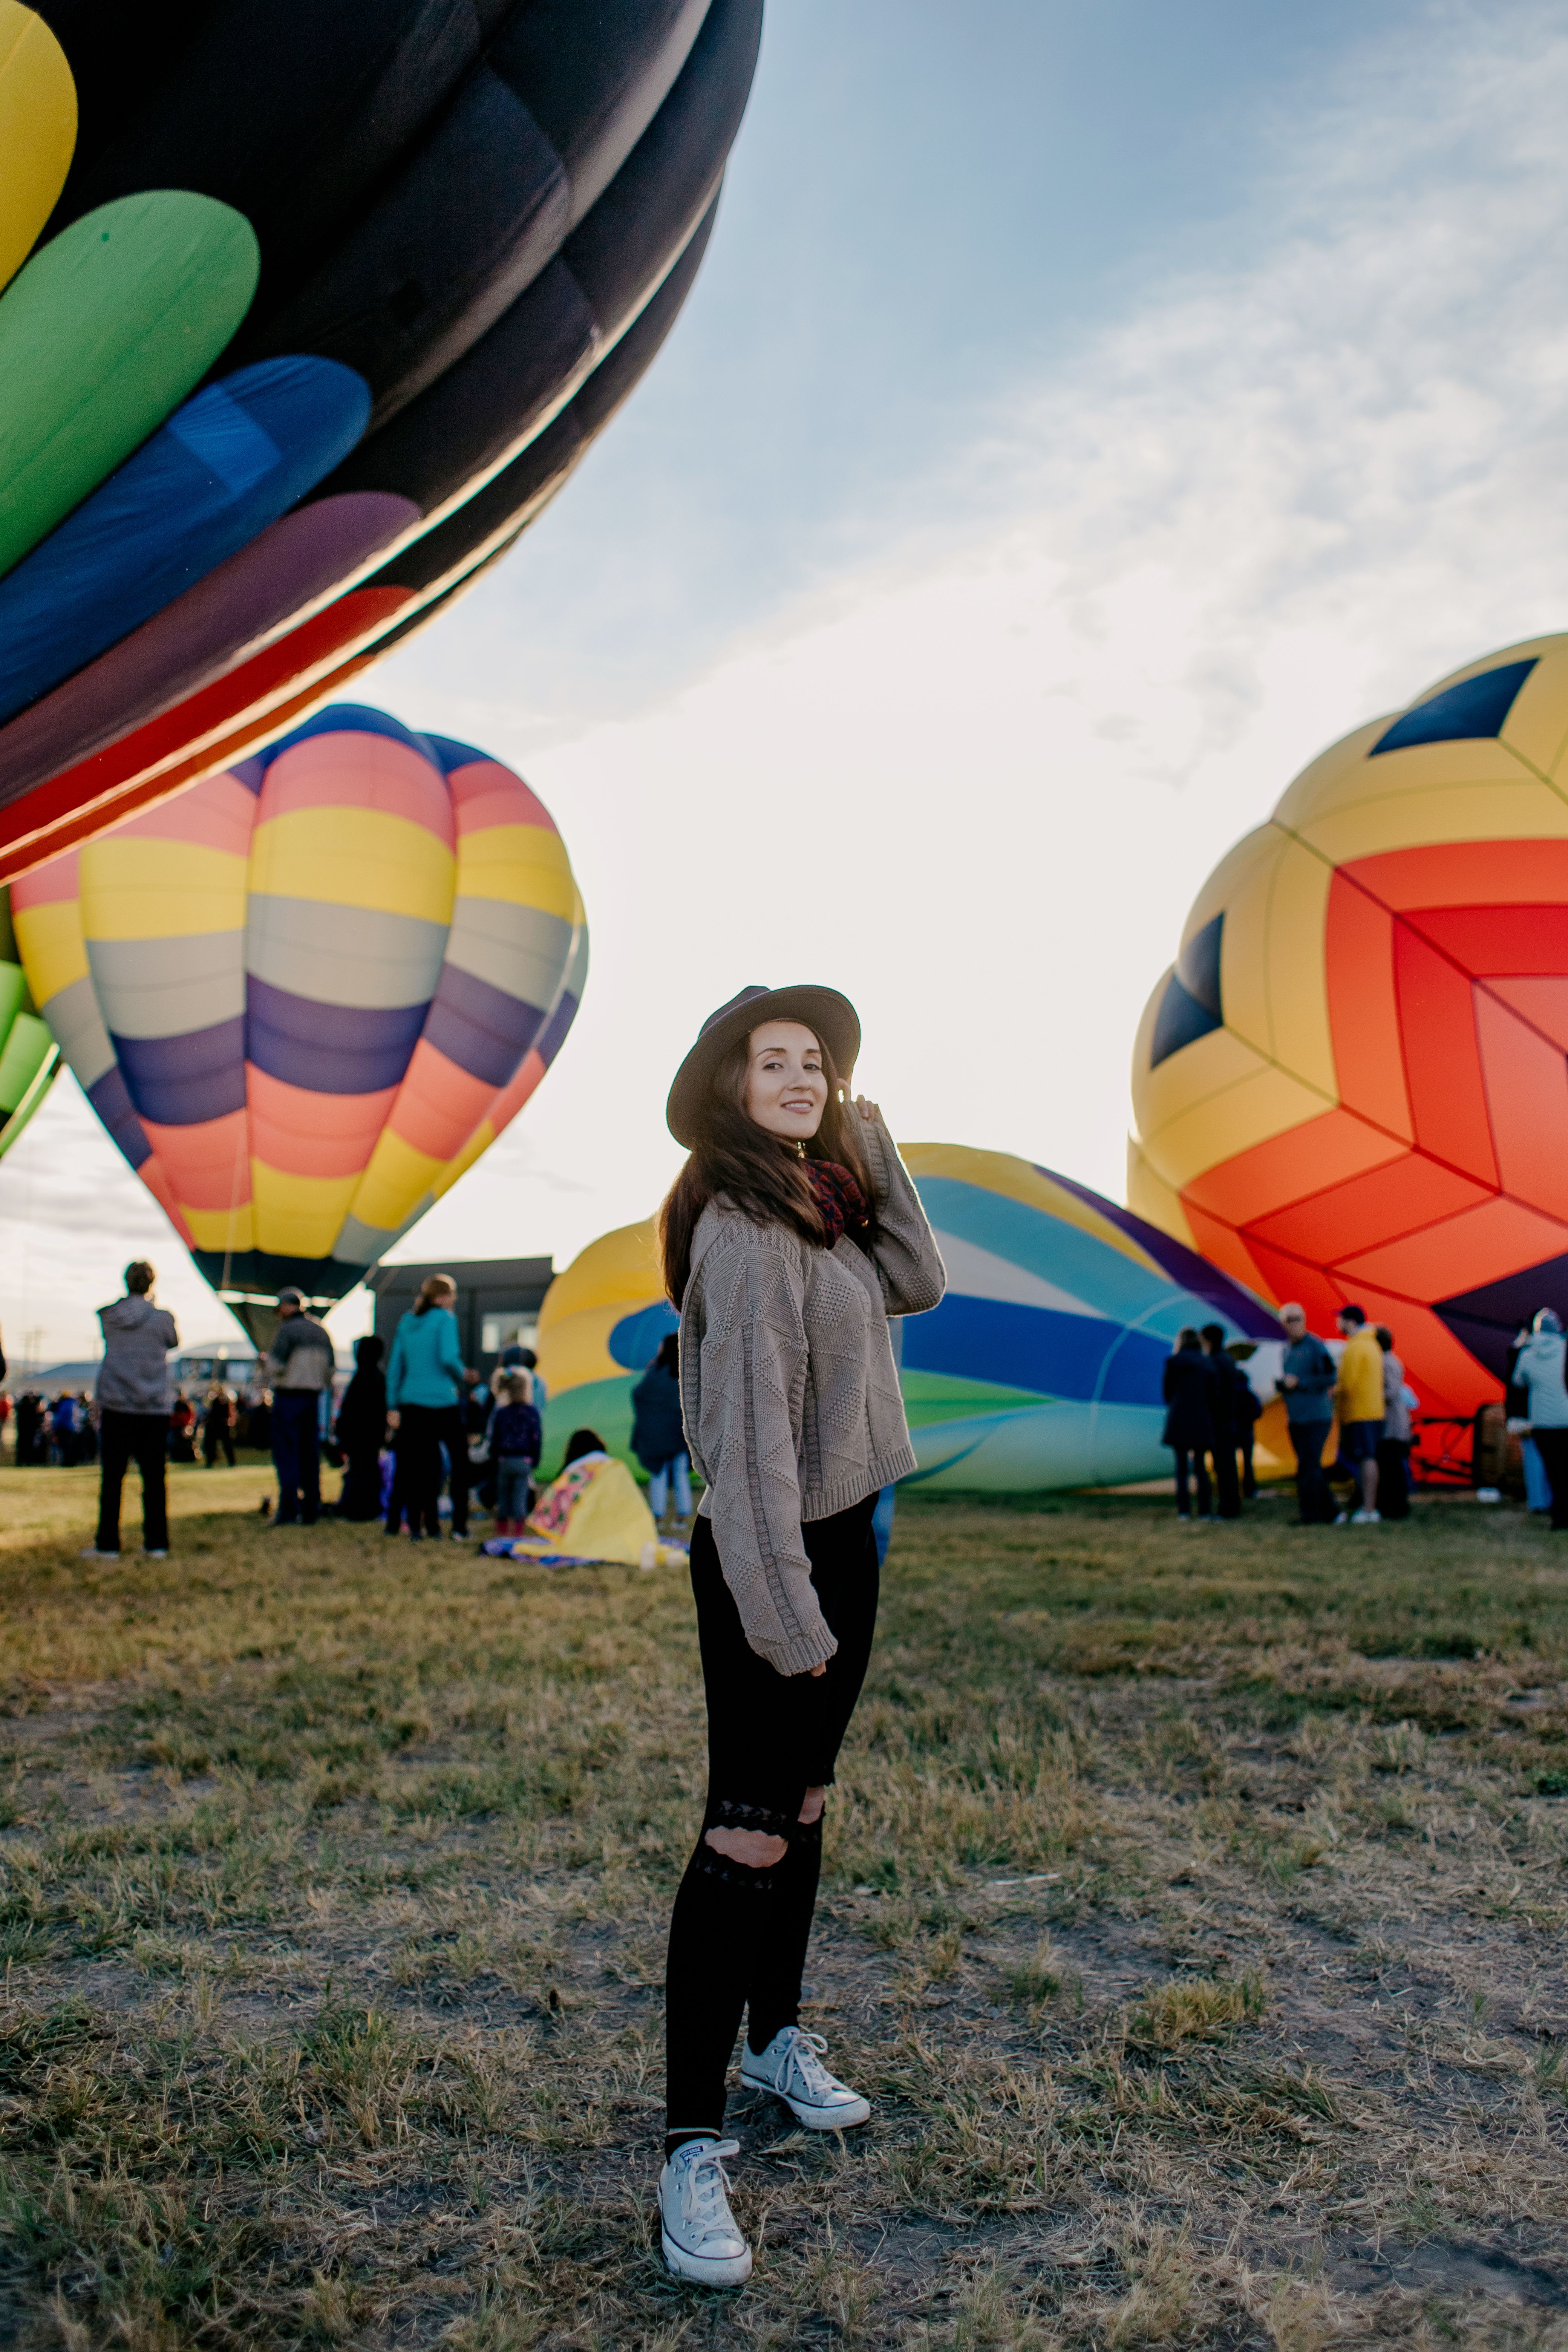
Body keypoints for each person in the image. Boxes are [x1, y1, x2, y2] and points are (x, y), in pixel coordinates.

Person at [653, 983, 946, 2288]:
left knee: (809, 1800)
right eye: (772, 1062)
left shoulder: (823, 1213)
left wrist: (873, 1144)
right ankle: (691, 2142)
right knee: (749, 1826)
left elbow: (919, 1279)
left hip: (845, 1542)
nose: (798, 1077)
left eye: (815, 1063)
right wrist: (784, 1615)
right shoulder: (742, 1231)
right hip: (772, 1556)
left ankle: (778, 2038)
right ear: (728, 1085)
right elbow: (750, 1449)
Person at [83, 1260, 178, 1561]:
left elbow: (113, 1316)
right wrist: (152, 1305)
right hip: (153, 1407)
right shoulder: (162, 1318)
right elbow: (173, 1342)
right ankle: (157, 1543)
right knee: (154, 1478)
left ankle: (108, 1544)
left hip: (117, 1402)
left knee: (112, 1477)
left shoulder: (111, 1316)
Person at [385, 1274, 469, 1541]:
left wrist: (392, 1404)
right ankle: (459, 1526)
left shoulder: (407, 1321)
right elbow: (448, 1357)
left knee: (415, 1466)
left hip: (411, 1402)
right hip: (443, 1401)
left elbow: (395, 1366)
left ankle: (419, 1528)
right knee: (459, 1465)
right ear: (443, 1297)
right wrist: (464, 1375)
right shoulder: (445, 1319)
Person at [265, 1289, 334, 1529]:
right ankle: (312, 1508)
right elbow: (330, 1371)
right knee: (310, 1454)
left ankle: (289, 1510)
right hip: (313, 1399)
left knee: (287, 1454)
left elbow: (276, 1367)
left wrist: (264, 1363)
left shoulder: (287, 1331)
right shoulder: (321, 1331)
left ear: (286, 1306)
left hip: (289, 1397)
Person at [1274, 1303, 1336, 1524]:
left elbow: (1330, 1378)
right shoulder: (1285, 1350)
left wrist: (1300, 1383)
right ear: (1283, 1323)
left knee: (1308, 1467)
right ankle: (1331, 1512)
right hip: (1297, 1418)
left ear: (1305, 1320)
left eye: (1298, 1318)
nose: (1294, 1323)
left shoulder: (1316, 1347)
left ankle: (1310, 1516)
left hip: (1317, 1417)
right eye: (1289, 1319)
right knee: (1309, 1466)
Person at [1509, 1309, 1568, 1531]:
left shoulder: (1527, 1354)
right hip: (1566, 1418)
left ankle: (1560, 1518)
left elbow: (1518, 1381)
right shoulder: (1565, 1349)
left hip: (1542, 1422)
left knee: (1554, 1471)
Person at [631, 1333, 692, 1525]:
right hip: (679, 1435)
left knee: (658, 1474)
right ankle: (682, 1517)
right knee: (681, 1475)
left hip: (656, 1436)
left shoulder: (655, 1370)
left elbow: (638, 1395)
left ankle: (658, 1517)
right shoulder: (686, 1371)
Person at [1332, 1304, 1384, 1524]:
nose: (1338, 1323)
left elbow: (1347, 1384)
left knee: (1367, 1459)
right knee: (1368, 1458)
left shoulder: (1355, 1347)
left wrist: (1331, 1391)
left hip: (1360, 1412)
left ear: (1350, 1322)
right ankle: (1368, 1505)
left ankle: (1369, 1508)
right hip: (1373, 1411)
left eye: (1340, 1319)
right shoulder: (1372, 1344)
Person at [1161, 1328, 1217, 1522]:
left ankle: (1184, 1511)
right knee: (1201, 1468)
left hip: (1179, 1419)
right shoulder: (1207, 1363)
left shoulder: (1172, 1363)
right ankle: (1205, 1511)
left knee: (1182, 1469)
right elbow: (1213, 1394)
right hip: (1201, 1420)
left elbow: (1167, 1392)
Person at [333, 1336, 387, 1520]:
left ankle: (360, 1508)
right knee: (368, 1470)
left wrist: (342, 1431)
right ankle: (367, 1506)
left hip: (359, 1436)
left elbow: (350, 1410)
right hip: (371, 1436)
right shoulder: (379, 1376)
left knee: (360, 1471)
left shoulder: (363, 1376)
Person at [1199, 1326, 1249, 1518]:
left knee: (1224, 1468)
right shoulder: (1227, 1360)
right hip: (1228, 1421)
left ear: (1209, 1341)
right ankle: (1231, 1507)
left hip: (1221, 1423)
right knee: (1227, 1467)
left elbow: (1216, 1395)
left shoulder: (1215, 1362)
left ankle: (1228, 1510)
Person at [489, 1373, 542, 1535]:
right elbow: (536, 1438)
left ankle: (502, 1531)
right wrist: (535, 1459)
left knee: (503, 1497)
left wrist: (495, 1457)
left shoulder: (502, 1413)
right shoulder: (532, 1413)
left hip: (504, 1460)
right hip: (523, 1460)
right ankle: (518, 1532)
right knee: (520, 1497)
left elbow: (496, 1438)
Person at [1375, 1326, 1413, 1520]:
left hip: (1392, 1424)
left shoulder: (1385, 1362)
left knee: (1392, 1466)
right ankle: (1395, 1505)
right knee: (1393, 1466)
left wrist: (1371, 1396)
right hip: (1396, 1423)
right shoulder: (1393, 1361)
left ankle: (1396, 1507)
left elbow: (1391, 1391)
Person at [201, 1384, 236, 1468]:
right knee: (211, 1445)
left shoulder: (227, 1402)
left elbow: (231, 1414)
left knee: (227, 1445)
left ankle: (232, 1461)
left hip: (224, 1426)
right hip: (214, 1426)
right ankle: (210, 1462)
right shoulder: (214, 1402)